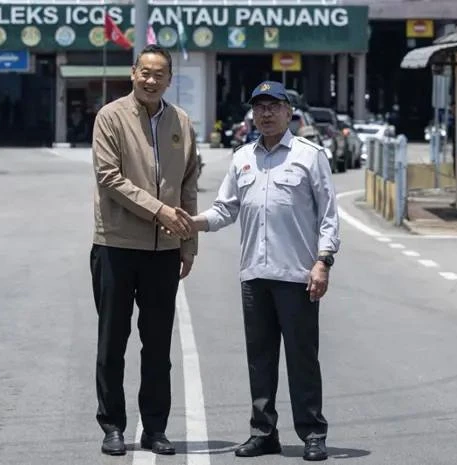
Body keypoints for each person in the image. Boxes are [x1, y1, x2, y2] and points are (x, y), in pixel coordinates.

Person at [172, 81, 340, 461]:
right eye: (259, 107)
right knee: (260, 359)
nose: (265, 114)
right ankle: (264, 432)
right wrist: (194, 223)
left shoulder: (310, 156)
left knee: (301, 358)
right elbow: (226, 208)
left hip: (297, 276)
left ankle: (312, 432)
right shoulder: (242, 158)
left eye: (273, 106)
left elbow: (329, 215)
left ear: (288, 111)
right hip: (254, 276)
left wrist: (323, 261)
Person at [90, 44, 200, 456]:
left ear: (169, 79)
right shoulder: (111, 117)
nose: (152, 80)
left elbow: (189, 182)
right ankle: (113, 426)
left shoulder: (182, 122)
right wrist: (159, 211)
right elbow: (109, 178)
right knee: (111, 342)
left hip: (165, 251)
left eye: (160, 74)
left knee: (157, 346)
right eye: (146, 72)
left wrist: (188, 242)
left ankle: (155, 428)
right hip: (116, 245)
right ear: (133, 73)